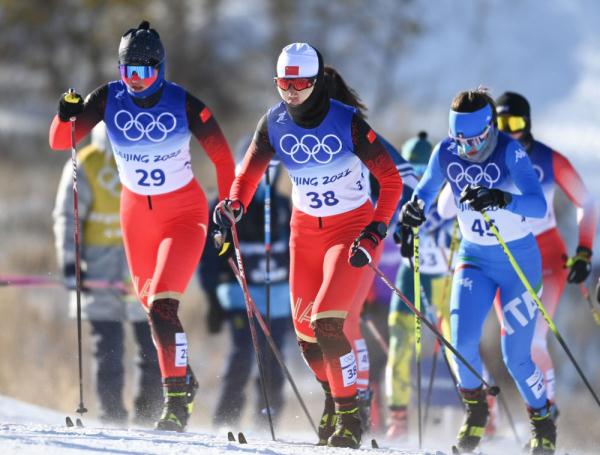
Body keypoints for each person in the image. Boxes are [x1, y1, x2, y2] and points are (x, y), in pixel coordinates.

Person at [48, 21, 236, 432]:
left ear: (160, 69)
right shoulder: (107, 98)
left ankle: (176, 405)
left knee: (163, 306)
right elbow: (62, 142)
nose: (135, 81)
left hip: (184, 214)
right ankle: (182, 377)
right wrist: (65, 115)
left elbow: (223, 159)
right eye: (127, 72)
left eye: (144, 72)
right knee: (152, 310)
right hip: (136, 216)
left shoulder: (183, 103)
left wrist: (226, 209)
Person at [213, 43, 402, 448]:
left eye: (300, 82)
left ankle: (352, 416)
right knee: (305, 336)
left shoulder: (347, 122)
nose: (292, 91)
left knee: (328, 323)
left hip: (349, 231)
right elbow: (246, 176)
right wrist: (232, 208)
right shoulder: (274, 123)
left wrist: (374, 232)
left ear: (316, 82)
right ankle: (336, 397)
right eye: (284, 82)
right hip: (305, 235)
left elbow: (392, 182)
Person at [400, 88, 555, 454]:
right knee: (462, 343)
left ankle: (543, 420)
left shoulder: (510, 152)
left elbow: (537, 204)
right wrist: (412, 213)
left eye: (476, 139)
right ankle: (475, 414)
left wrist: (502, 197)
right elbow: (423, 193)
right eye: (460, 139)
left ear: (491, 128)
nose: (468, 148)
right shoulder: (446, 152)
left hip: (518, 262)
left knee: (515, 356)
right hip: (474, 259)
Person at [322, 65, 418, 434]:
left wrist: (383, 219)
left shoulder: (357, 131)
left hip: (361, 240)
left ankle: (355, 402)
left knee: (344, 322)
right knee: (332, 325)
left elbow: (406, 178)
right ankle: (345, 399)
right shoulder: (309, 131)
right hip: (325, 240)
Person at [53, 123, 162, 426]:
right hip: (99, 271)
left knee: (153, 347)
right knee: (108, 351)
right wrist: (70, 263)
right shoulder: (85, 163)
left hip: (142, 270)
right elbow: (67, 217)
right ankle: (112, 416)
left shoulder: (150, 158)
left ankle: (148, 415)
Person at [495, 91, 596, 418]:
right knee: (513, 344)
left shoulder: (550, 160)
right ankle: (537, 412)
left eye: (515, 122)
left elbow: (587, 203)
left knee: (534, 337)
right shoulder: (487, 159)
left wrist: (583, 251)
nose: (508, 130)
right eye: (500, 122)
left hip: (547, 256)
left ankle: (545, 415)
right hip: (505, 258)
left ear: (528, 124)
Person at [198, 149, 292, 430]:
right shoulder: (222, 207)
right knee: (242, 354)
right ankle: (225, 421)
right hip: (240, 296)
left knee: (273, 360)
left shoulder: (284, 206)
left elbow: (295, 251)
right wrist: (212, 299)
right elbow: (209, 259)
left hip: (277, 298)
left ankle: (267, 419)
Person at [385, 132, 456, 439]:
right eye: (408, 169)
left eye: (420, 170)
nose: (412, 179)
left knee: (457, 345)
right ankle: (397, 417)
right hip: (409, 275)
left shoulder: (443, 193)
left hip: (442, 278)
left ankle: (483, 409)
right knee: (401, 345)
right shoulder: (394, 192)